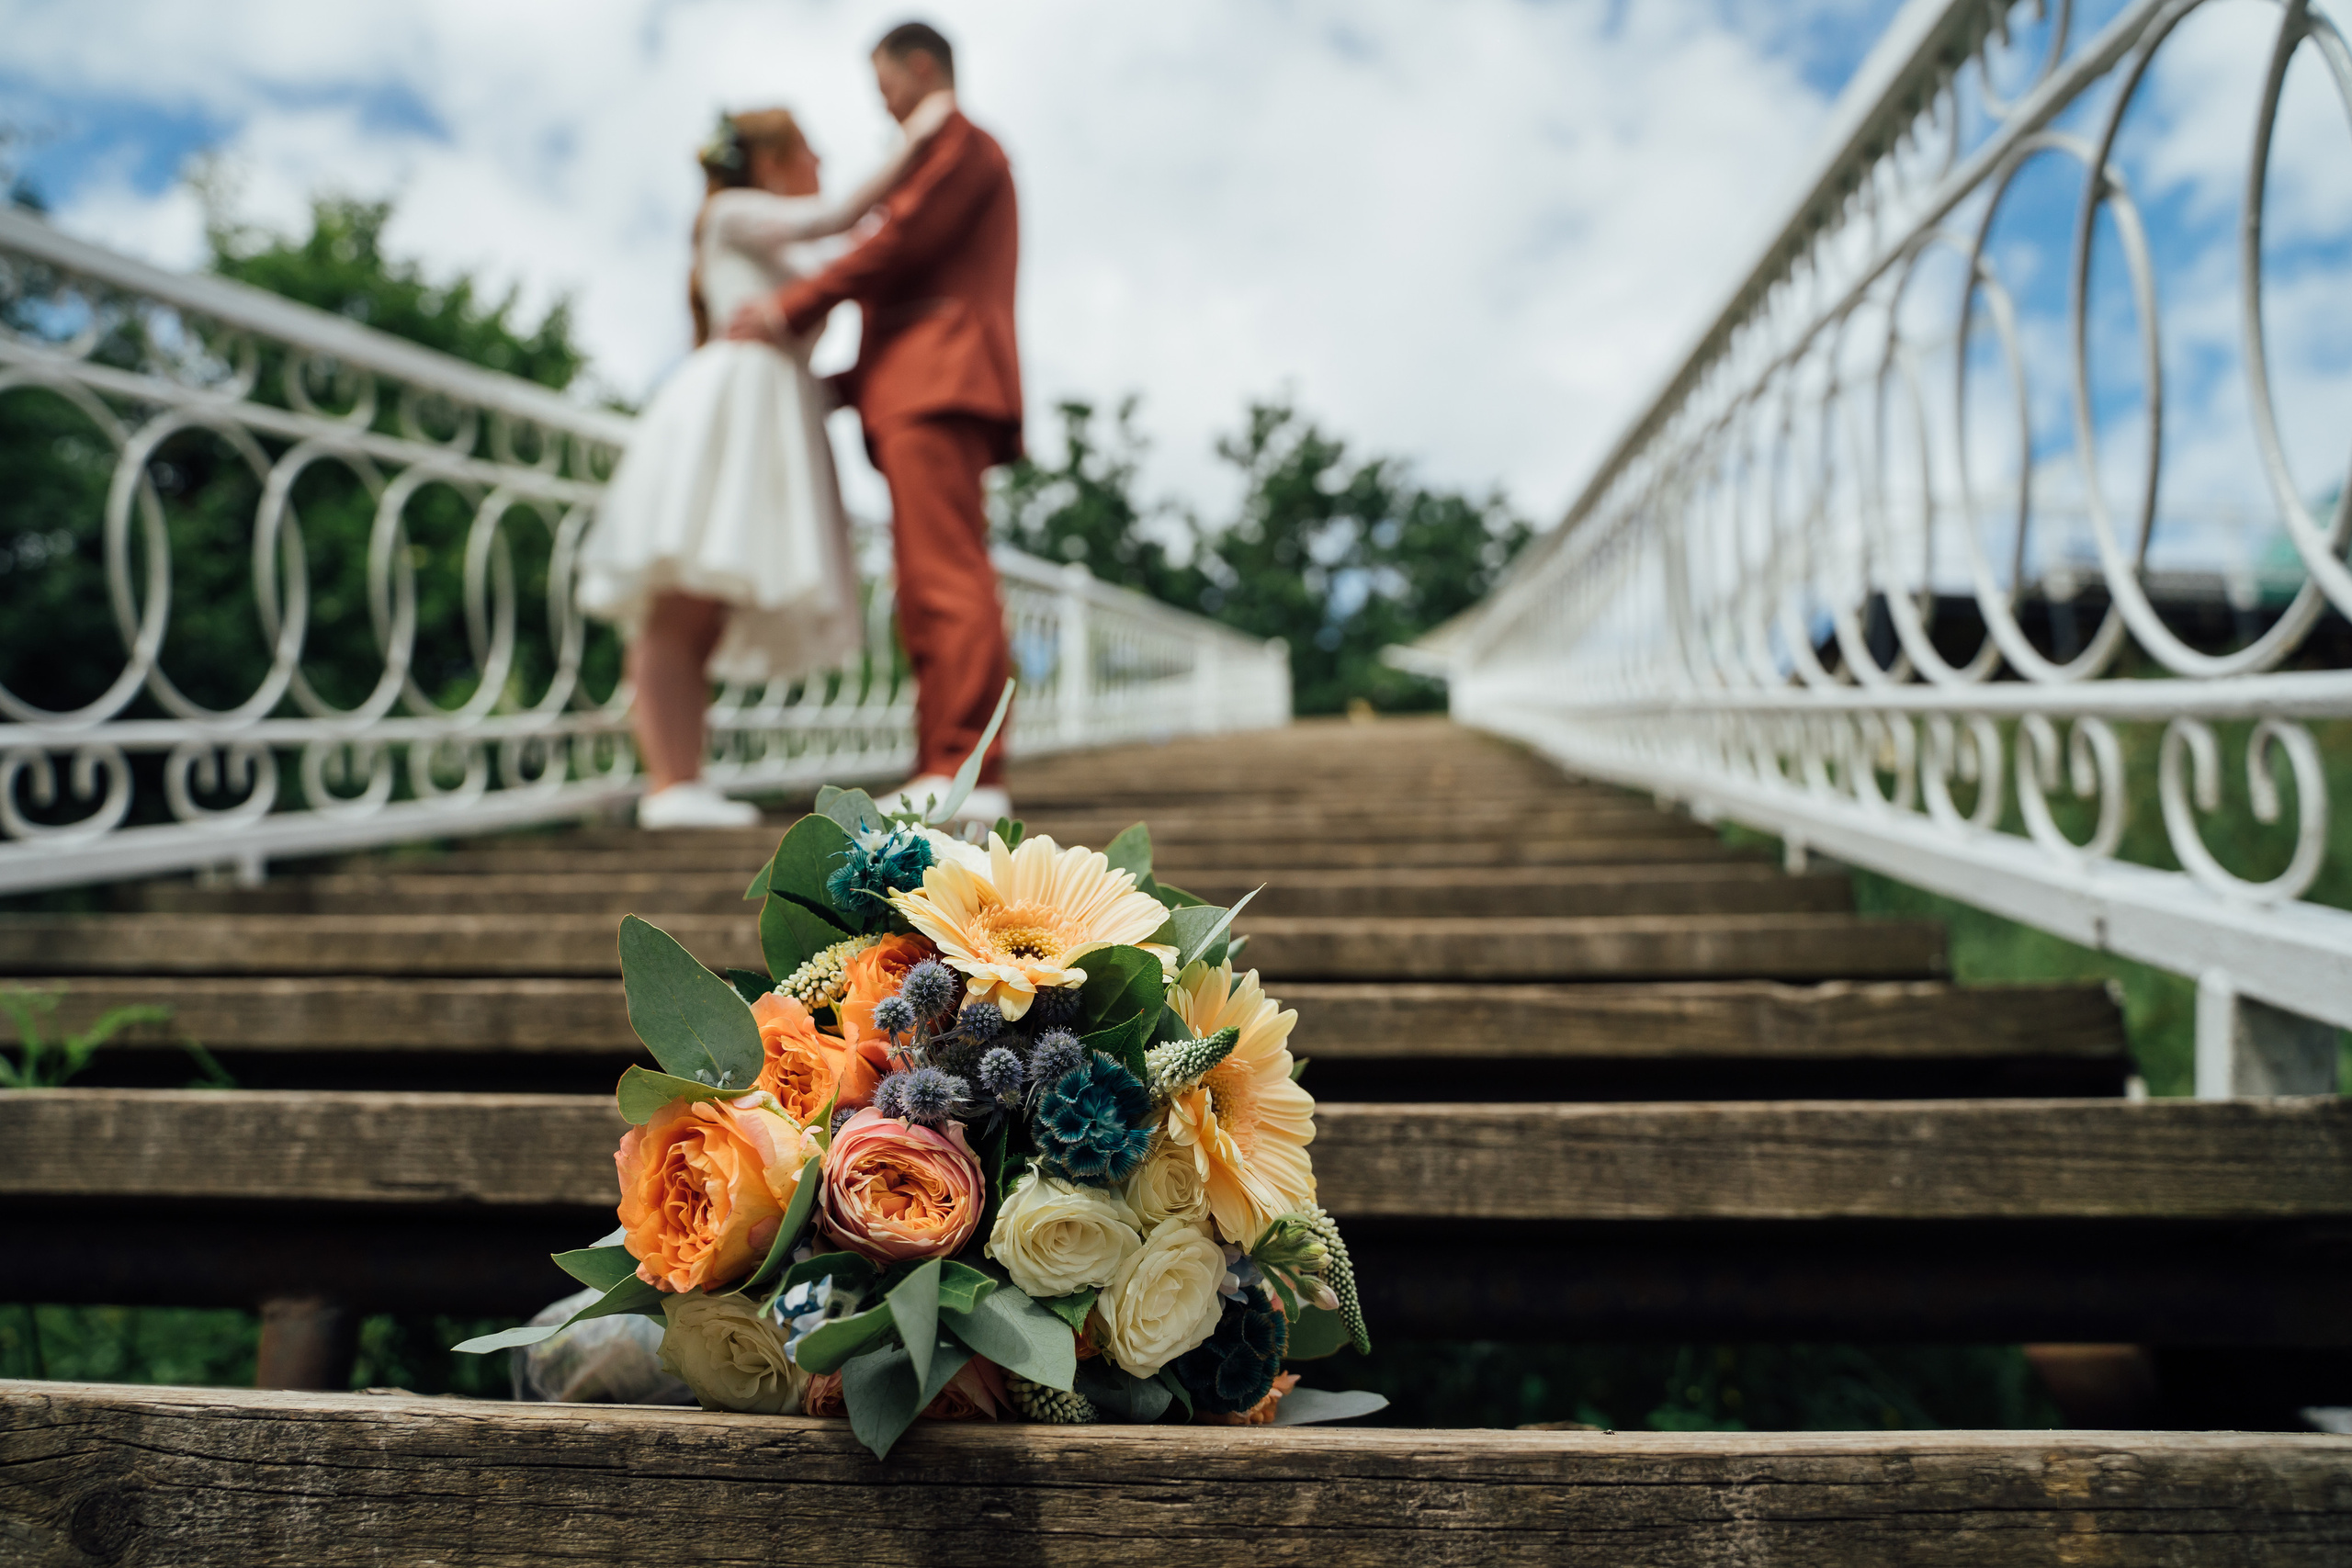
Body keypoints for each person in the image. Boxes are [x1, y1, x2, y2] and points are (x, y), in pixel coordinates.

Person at [580, 97, 953, 829]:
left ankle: (681, 780)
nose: (822, 165)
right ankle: (670, 785)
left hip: (774, 413)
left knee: (704, 608)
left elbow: (850, 256)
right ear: (776, 160)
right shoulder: (731, 214)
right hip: (735, 406)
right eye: (809, 150)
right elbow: (838, 220)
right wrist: (920, 139)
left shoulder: (773, 235)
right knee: (680, 598)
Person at [729, 20, 1021, 826]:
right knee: (924, 586)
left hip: (940, 381)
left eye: (884, 80)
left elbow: (898, 246)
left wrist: (789, 307)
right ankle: (944, 762)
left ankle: (964, 763)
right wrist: (847, 383)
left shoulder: (965, 146)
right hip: (914, 385)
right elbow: (906, 285)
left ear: (920, 66)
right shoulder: (949, 152)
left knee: (947, 579)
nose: (879, 100)